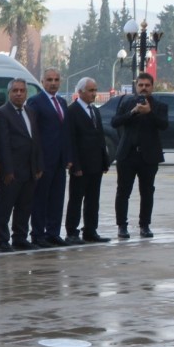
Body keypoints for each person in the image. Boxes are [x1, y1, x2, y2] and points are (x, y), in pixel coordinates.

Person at [112, 72, 168, 239]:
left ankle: (145, 225)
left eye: (147, 85)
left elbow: (164, 125)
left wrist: (149, 112)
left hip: (149, 156)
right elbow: (115, 122)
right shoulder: (126, 102)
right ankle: (122, 226)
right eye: (141, 85)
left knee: (147, 192)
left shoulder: (159, 105)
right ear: (136, 87)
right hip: (127, 155)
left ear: (152, 87)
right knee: (123, 192)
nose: (144, 88)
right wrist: (133, 112)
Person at [0, 78, 42, 251]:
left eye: (22, 91)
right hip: (11, 170)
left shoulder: (30, 111)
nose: (19, 94)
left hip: (29, 168)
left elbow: (35, 140)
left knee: (25, 205)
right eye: (15, 91)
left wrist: (38, 166)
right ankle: (2, 240)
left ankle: (20, 237)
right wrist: (7, 169)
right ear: (9, 93)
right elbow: (2, 143)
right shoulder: (2, 113)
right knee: (5, 206)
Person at [27, 68, 70, 248]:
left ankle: (53, 232)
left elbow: (66, 132)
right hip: (44, 160)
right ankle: (38, 234)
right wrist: (36, 161)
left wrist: (68, 157)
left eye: (56, 80)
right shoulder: (35, 102)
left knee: (57, 198)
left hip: (60, 160)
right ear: (42, 81)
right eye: (49, 79)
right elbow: (33, 133)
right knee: (40, 199)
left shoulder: (62, 102)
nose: (53, 83)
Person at [64, 77, 110, 243]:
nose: (94, 94)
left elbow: (100, 138)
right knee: (76, 199)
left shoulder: (94, 110)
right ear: (81, 92)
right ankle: (72, 232)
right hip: (81, 165)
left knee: (93, 200)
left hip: (96, 163)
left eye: (95, 90)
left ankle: (90, 230)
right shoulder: (72, 111)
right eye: (90, 90)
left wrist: (105, 161)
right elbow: (71, 139)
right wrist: (75, 164)